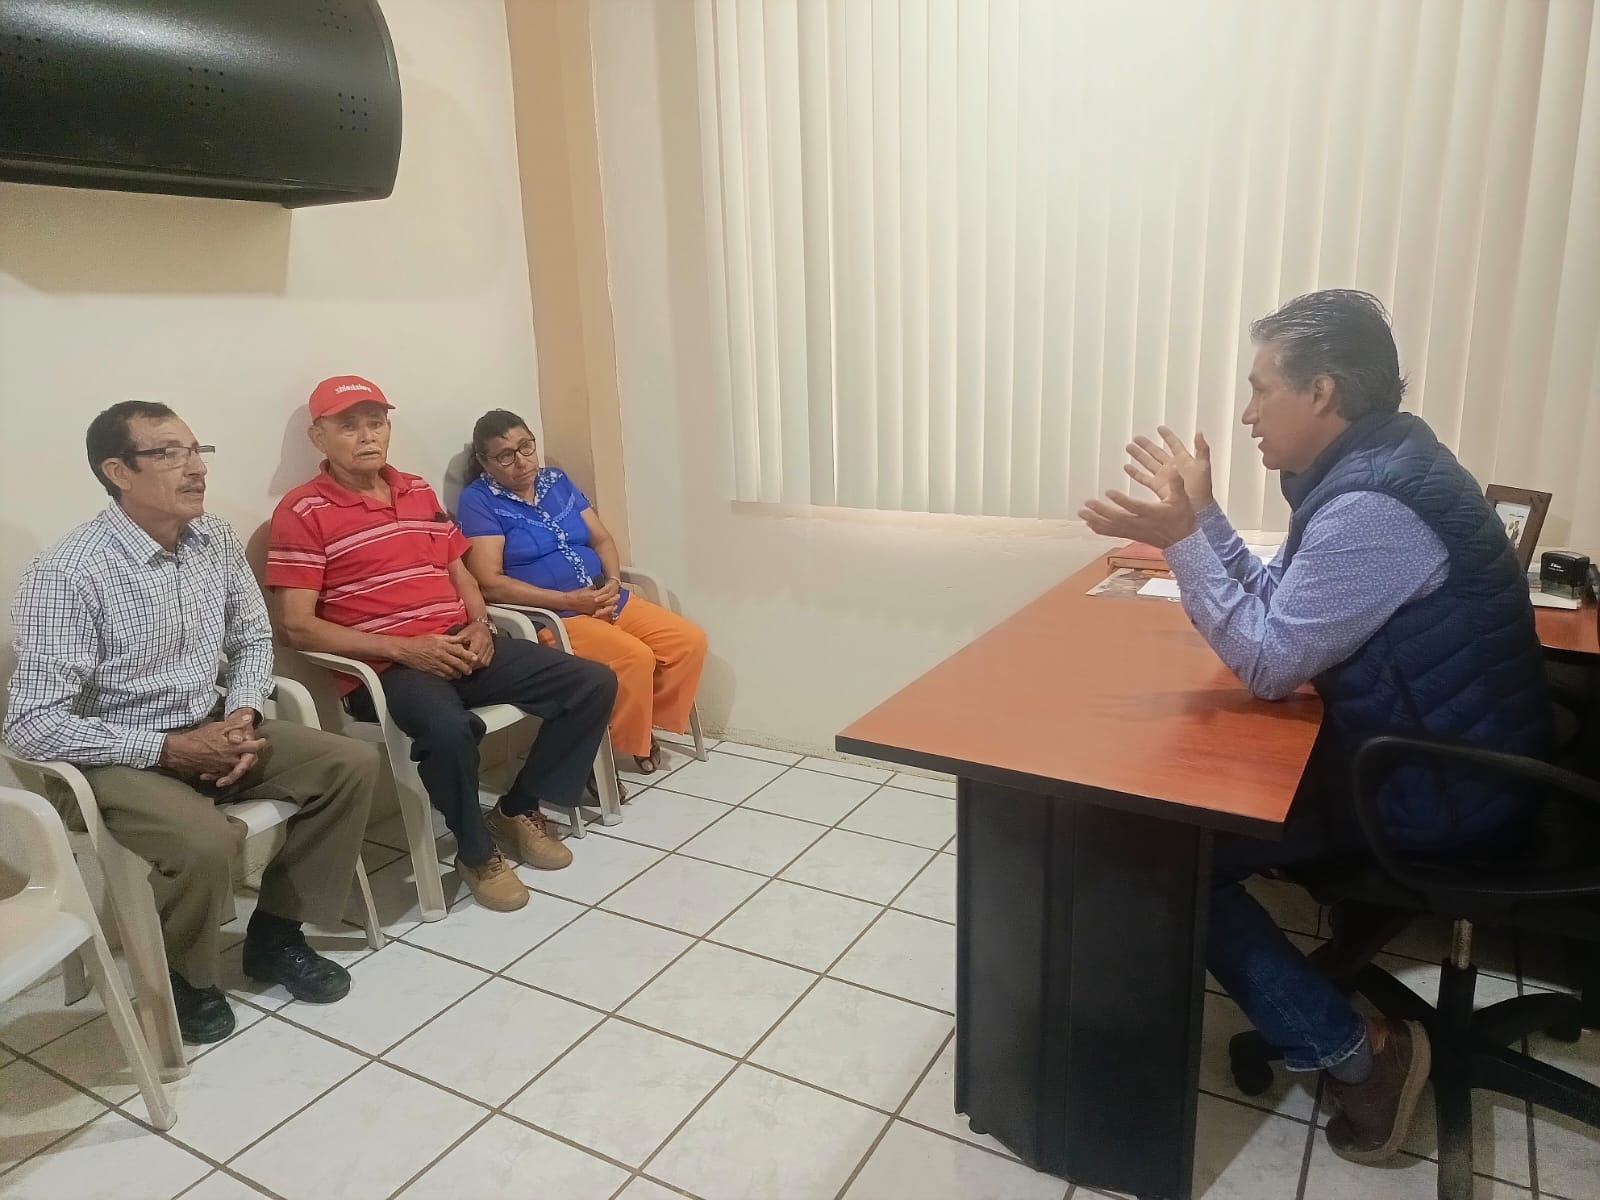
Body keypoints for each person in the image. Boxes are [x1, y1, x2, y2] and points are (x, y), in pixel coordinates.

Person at [1079, 290, 1551, 1164]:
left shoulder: (1375, 508)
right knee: (1182, 818)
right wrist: (1202, 520)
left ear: (1322, 391)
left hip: (1443, 793)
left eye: (1262, 389)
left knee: (1167, 857)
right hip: (1453, 759)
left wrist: (1182, 541)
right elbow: (1279, 608)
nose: (1248, 414)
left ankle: (1361, 1057)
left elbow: (1268, 661)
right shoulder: (1376, 468)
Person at [5, 402, 377, 1045]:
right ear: (118, 471)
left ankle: (276, 935)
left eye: (196, 450)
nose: (196, 468)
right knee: (206, 841)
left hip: (211, 724)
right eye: (169, 453)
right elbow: (32, 724)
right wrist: (169, 748)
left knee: (351, 764)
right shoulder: (69, 573)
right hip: (108, 756)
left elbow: (252, 637)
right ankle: (187, 978)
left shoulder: (214, 540)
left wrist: (242, 714)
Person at [266, 377, 617, 914]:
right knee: (450, 729)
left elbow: (461, 574)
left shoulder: (416, 491)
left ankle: (516, 809)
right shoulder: (302, 511)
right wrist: (405, 650)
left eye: (376, 422)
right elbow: (297, 627)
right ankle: (476, 853)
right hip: (386, 669)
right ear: (319, 437)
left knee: (590, 682)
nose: (367, 436)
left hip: (462, 644)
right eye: (349, 426)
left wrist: (479, 623)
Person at [456, 410, 709, 774]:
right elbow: (490, 582)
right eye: (506, 456)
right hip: (553, 616)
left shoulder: (555, 481)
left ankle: (638, 727)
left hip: (601, 596)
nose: (522, 461)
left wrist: (612, 583)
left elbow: (601, 539)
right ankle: (610, 751)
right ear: (485, 462)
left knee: (688, 642)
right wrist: (569, 601)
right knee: (635, 658)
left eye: (526, 447)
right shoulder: (479, 501)